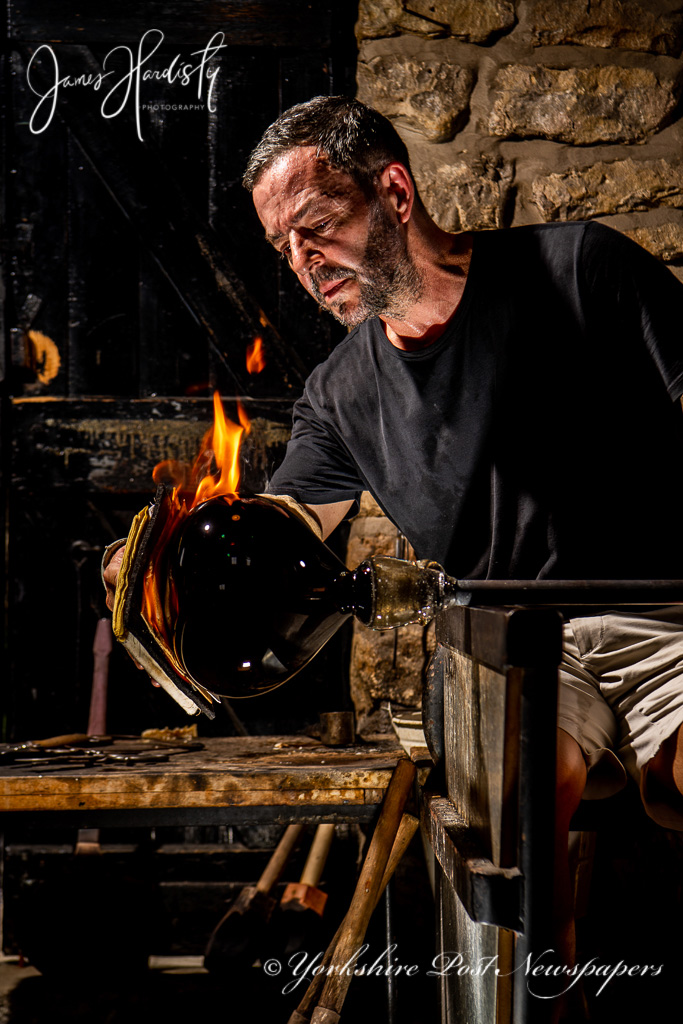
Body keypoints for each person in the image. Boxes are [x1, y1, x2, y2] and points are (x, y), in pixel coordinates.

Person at [104, 94, 683, 999]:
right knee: (524, 799)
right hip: (514, 652)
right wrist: (167, 561)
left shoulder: (579, 268)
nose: (303, 263)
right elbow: (290, 522)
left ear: (395, 193)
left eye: (316, 227)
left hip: (665, 616)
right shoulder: (339, 394)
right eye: (283, 247)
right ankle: (545, 998)